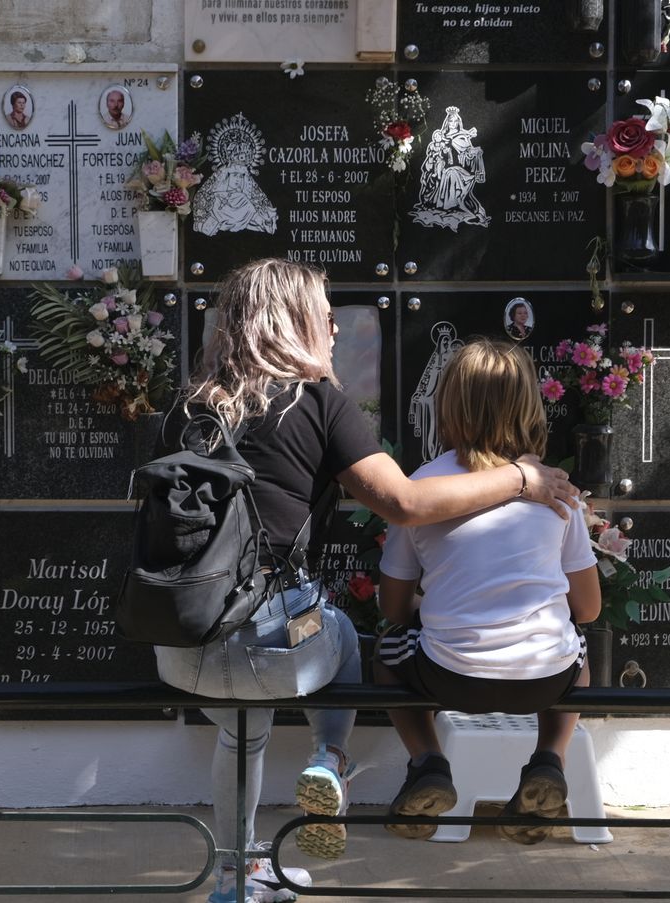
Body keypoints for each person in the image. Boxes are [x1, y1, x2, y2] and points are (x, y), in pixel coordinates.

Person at [152, 260, 580, 903]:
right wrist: (527, 480)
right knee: (346, 634)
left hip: (181, 645)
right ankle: (331, 757)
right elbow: (406, 503)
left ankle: (235, 879)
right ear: (292, 322)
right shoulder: (318, 403)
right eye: (323, 314)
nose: (331, 327)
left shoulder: (185, 409)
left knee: (241, 730)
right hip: (275, 644)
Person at [373, 337, 599, 847]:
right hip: (546, 681)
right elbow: (587, 608)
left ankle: (428, 762)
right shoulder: (558, 491)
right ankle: (549, 760)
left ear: (448, 405)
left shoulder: (424, 487)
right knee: (578, 643)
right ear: (529, 405)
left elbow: (391, 606)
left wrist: (436, 610)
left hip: (449, 677)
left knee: (387, 653)